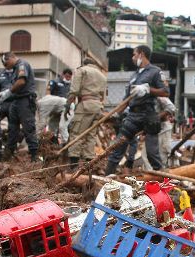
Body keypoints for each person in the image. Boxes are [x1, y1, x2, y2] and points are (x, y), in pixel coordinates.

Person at [105, 45, 169, 175]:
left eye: (134, 55)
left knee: (152, 154)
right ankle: (106, 180)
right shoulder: (134, 76)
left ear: (141, 54)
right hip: (133, 115)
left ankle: (164, 183)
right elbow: (126, 100)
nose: (133, 58)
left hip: (149, 115)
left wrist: (148, 89)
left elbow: (166, 92)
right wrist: (116, 114)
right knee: (117, 148)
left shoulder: (156, 72)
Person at [0, 52, 39, 162]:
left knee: (28, 128)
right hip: (16, 101)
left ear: (11, 58)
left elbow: (21, 81)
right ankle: (8, 154)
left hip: (25, 100)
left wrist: (8, 92)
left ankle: (35, 156)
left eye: (6, 64)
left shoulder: (22, 64)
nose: (6, 67)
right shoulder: (15, 68)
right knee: (12, 129)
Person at [66, 57, 107, 166]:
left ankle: (73, 164)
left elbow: (74, 90)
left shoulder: (82, 70)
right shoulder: (102, 75)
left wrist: (68, 106)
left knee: (76, 133)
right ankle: (89, 163)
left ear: (84, 63)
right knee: (91, 135)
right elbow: (103, 95)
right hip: (98, 106)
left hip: (85, 105)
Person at [141, 96, 176, 170]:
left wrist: (156, 118)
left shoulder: (159, 97)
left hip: (163, 128)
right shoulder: (143, 99)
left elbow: (171, 108)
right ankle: (153, 174)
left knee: (163, 152)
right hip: (151, 129)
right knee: (145, 154)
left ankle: (159, 173)